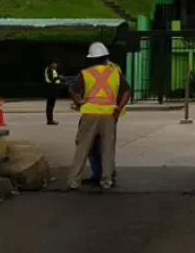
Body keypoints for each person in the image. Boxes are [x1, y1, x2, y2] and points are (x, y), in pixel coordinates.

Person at [67, 42, 131, 190]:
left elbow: (72, 90)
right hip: (109, 114)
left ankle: (74, 180)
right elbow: (127, 91)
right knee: (107, 148)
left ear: (92, 59)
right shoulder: (115, 73)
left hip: (90, 114)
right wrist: (118, 109)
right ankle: (107, 180)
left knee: (82, 147)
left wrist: (79, 103)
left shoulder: (86, 73)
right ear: (106, 57)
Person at [84, 59, 128, 186]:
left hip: (99, 112)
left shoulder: (100, 70)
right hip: (108, 112)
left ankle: (101, 173)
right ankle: (107, 172)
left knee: (93, 144)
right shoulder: (115, 68)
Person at [44, 60, 62, 125]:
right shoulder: (49, 70)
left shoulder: (51, 70)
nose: (56, 65)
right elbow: (52, 79)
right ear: (52, 64)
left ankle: (50, 120)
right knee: (50, 105)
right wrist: (58, 77)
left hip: (52, 88)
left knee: (51, 105)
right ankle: (50, 120)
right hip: (51, 89)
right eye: (55, 64)